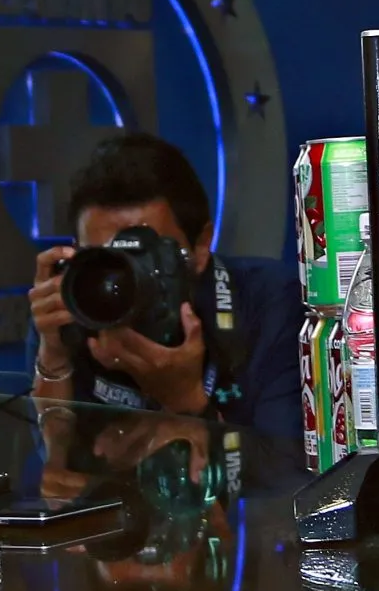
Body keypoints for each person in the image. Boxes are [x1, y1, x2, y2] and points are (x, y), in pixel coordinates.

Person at [24, 132, 302, 438]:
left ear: (200, 247)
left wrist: (185, 399)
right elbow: (55, 464)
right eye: (106, 258)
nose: (124, 277)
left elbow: (286, 464)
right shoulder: (72, 302)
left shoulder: (272, 304)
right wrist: (54, 357)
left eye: (147, 255)